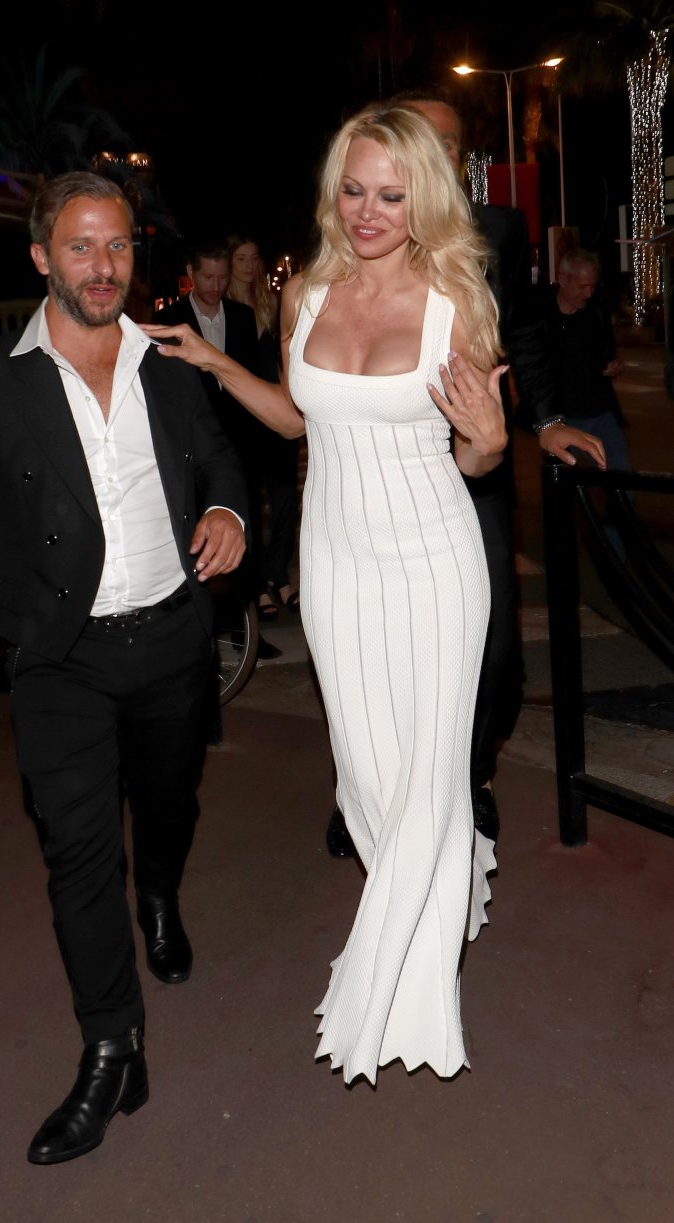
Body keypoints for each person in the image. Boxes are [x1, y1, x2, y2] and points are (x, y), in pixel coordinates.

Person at [0, 173, 247, 1163]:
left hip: (170, 640)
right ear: (41, 257)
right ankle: (113, 1048)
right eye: (81, 246)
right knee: (76, 853)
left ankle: (158, 893)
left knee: (168, 805)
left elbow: (219, 457)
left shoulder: (167, 361)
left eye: (117, 245)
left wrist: (227, 511)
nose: (103, 266)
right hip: (59, 657)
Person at [143, 107, 508, 1083]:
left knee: (427, 777)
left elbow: (476, 450)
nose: (368, 211)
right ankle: (435, 891)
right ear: (332, 191)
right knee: (366, 780)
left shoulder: (453, 299)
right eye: (353, 190)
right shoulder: (304, 293)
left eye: (391, 194)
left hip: (433, 559)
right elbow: (300, 419)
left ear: (424, 199)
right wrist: (217, 364)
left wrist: (490, 442)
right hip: (338, 560)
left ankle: (396, 992)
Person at [324, 87, 607, 857]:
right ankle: (365, 790)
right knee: (373, 643)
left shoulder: (496, 231)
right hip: (377, 472)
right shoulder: (357, 227)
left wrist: (544, 420)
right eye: (423, 136)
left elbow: (525, 330)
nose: (438, 152)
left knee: (491, 640)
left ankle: (468, 777)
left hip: (471, 466)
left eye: (450, 143)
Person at [157, 245, 282, 659]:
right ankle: (202, 633)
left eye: (222, 277)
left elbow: (255, 380)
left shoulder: (243, 316)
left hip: (241, 447)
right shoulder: (169, 320)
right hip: (191, 452)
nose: (215, 285)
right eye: (207, 277)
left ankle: (246, 632)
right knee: (195, 543)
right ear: (191, 272)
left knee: (245, 536)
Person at [227, 233, 301, 617]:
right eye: (241, 258)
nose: (249, 265)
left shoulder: (271, 302)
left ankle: (278, 574)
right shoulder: (222, 306)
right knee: (249, 502)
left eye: (254, 258)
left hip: (276, 408)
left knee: (286, 496)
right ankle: (256, 583)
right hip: (242, 414)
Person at [544, 248, 629, 471]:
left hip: (599, 412)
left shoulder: (596, 312)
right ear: (563, 279)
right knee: (564, 482)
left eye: (593, 286)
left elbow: (607, 353)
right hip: (561, 418)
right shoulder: (542, 318)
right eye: (583, 286)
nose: (589, 293)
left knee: (620, 476)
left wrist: (611, 366)